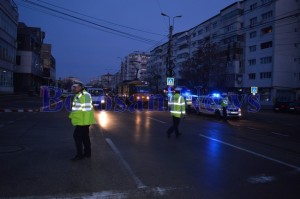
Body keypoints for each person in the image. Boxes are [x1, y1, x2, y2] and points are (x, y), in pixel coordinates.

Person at [69, 82, 95, 161]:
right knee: (84, 137)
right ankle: (87, 153)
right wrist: (71, 116)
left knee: (77, 136)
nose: (74, 89)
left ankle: (80, 155)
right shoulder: (79, 95)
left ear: (80, 87)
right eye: (73, 87)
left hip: (83, 122)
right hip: (82, 121)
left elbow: (87, 110)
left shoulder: (85, 95)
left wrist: (86, 123)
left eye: (75, 87)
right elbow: (76, 108)